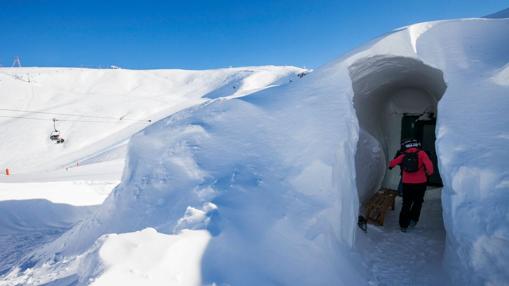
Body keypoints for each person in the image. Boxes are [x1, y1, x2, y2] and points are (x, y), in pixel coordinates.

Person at [389, 139, 434, 232]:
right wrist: (429, 173)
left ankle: (403, 225)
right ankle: (413, 219)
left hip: (407, 183)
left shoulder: (404, 154)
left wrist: (391, 166)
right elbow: (430, 167)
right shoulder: (422, 153)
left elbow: (392, 163)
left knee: (406, 203)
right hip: (421, 183)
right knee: (418, 202)